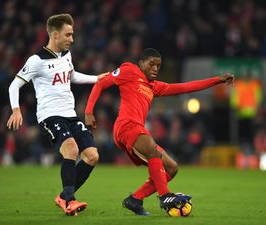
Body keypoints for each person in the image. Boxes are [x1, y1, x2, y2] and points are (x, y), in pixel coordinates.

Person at [85, 48, 234, 216]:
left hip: (137, 130)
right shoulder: (128, 70)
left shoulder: (154, 87)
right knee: (151, 148)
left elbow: (186, 87)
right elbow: (101, 83)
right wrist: (89, 111)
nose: (155, 68)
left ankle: (135, 199)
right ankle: (165, 196)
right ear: (141, 63)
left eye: (158, 66)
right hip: (126, 126)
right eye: (151, 64)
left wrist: (217, 80)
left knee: (172, 168)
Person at [6, 13, 107, 216]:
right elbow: (14, 85)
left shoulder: (66, 56)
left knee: (92, 156)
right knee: (71, 150)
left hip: (70, 115)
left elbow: (72, 75)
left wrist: (97, 79)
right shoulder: (36, 60)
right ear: (55, 35)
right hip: (50, 115)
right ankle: (69, 201)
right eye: (68, 35)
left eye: (72, 34)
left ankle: (63, 196)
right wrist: (16, 109)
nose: (72, 39)